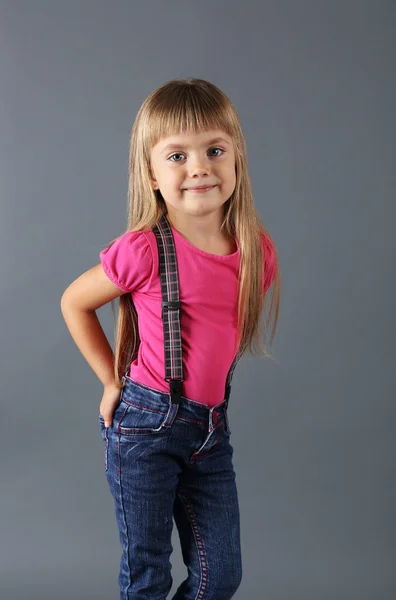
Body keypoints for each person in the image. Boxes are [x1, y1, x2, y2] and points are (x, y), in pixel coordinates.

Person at [60, 77, 280, 600]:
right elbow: (75, 301)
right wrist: (111, 380)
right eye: (177, 155)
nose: (200, 166)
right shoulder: (143, 249)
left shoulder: (256, 251)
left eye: (215, 150)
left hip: (209, 433)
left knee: (219, 576)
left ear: (236, 160)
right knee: (148, 574)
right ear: (152, 174)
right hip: (144, 429)